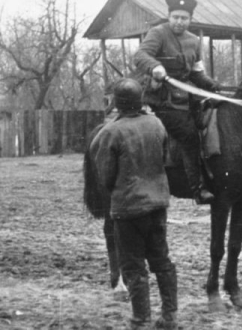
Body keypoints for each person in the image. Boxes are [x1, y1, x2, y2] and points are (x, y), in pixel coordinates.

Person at [91, 78, 178, 330]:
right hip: (158, 205)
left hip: (128, 209)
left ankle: (141, 319)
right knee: (162, 261)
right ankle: (170, 316)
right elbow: (165, 159)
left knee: (133, 266)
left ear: (117, 103)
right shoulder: (157, 124)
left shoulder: (110, 132)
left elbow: (105, 177)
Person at [133, 0, 219, 205]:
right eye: (175, 17)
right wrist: (156, 67)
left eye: (184, 18)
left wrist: (211, 85)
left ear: (190, 19)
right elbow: (140, 56)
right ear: (169, 16)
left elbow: (196, 73)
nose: (179, 22)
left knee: (209, 122)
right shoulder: (158, 33)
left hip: (186, 99)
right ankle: (197, 189)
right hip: (161, 99)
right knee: (189, 135)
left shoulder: (194, 41)